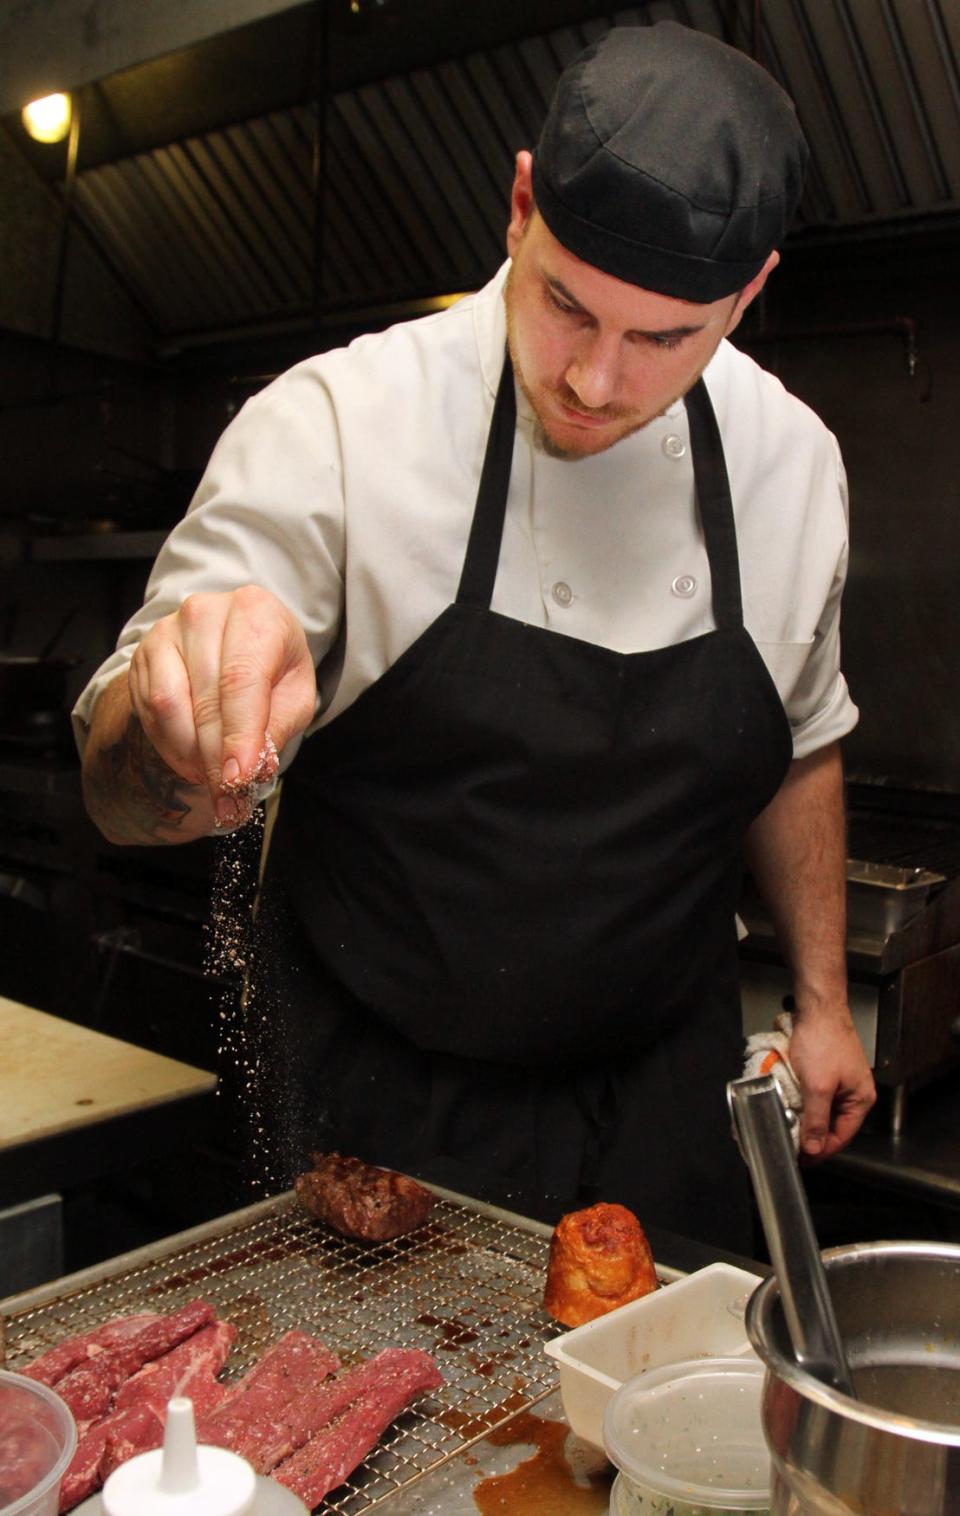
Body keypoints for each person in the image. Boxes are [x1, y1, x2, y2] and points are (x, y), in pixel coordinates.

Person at [75, 22, 875, 1250]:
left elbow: (804, 740)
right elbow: (122, 796)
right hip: (385, 1105)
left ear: (750, 291)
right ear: (517, 207)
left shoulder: (793, 467)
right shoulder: (340, 429)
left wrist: (822, 999)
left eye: (666, 338)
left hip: (665, 1098)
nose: (599, 381)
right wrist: (177, 728)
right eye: (566, 304)